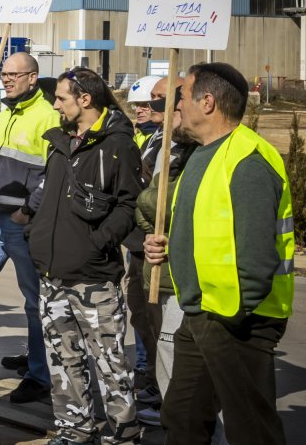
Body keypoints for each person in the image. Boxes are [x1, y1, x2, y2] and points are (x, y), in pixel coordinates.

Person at [145, 63, 294, 445]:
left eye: (181, 97)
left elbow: (258, 256)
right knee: (181, 417)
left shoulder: (248, 161)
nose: (174, 106)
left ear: (207, 102)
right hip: (202, 313)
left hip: (237, 319)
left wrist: (234, 312)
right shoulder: (201, 154)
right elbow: (207, 227)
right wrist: (168, 246)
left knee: (251, 428)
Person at [28, 67, 141, 445]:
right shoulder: (59, 141)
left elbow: (129, 205)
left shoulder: (118, 143)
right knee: (63, 363)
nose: (55, 104)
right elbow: (48, 196)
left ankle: (123, 434)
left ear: (85, 99)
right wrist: (36, 235)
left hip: (95, 279)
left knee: (110, 364)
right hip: (52, 274)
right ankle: (73, 431)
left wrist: (100, 241)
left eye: (61, 98)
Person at [0, 52, 59, 403]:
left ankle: (39, 375)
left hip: (22, 224)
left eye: (14, 75)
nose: (7, 80)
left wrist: (28, 211)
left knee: (34, 301)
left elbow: (54, 173)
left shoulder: (48, 116)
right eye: (4, 74)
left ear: (33, 77)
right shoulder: (3, 111)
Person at [132, 76, 197, 429]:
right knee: (151, 329)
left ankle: (177, 415)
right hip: (152, 255)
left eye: (164, 99)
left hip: (183, 272)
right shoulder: (159, 141)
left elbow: (163, 202)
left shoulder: (193, 149)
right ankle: (164, 401)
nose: (155, 105)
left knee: (177, 351)